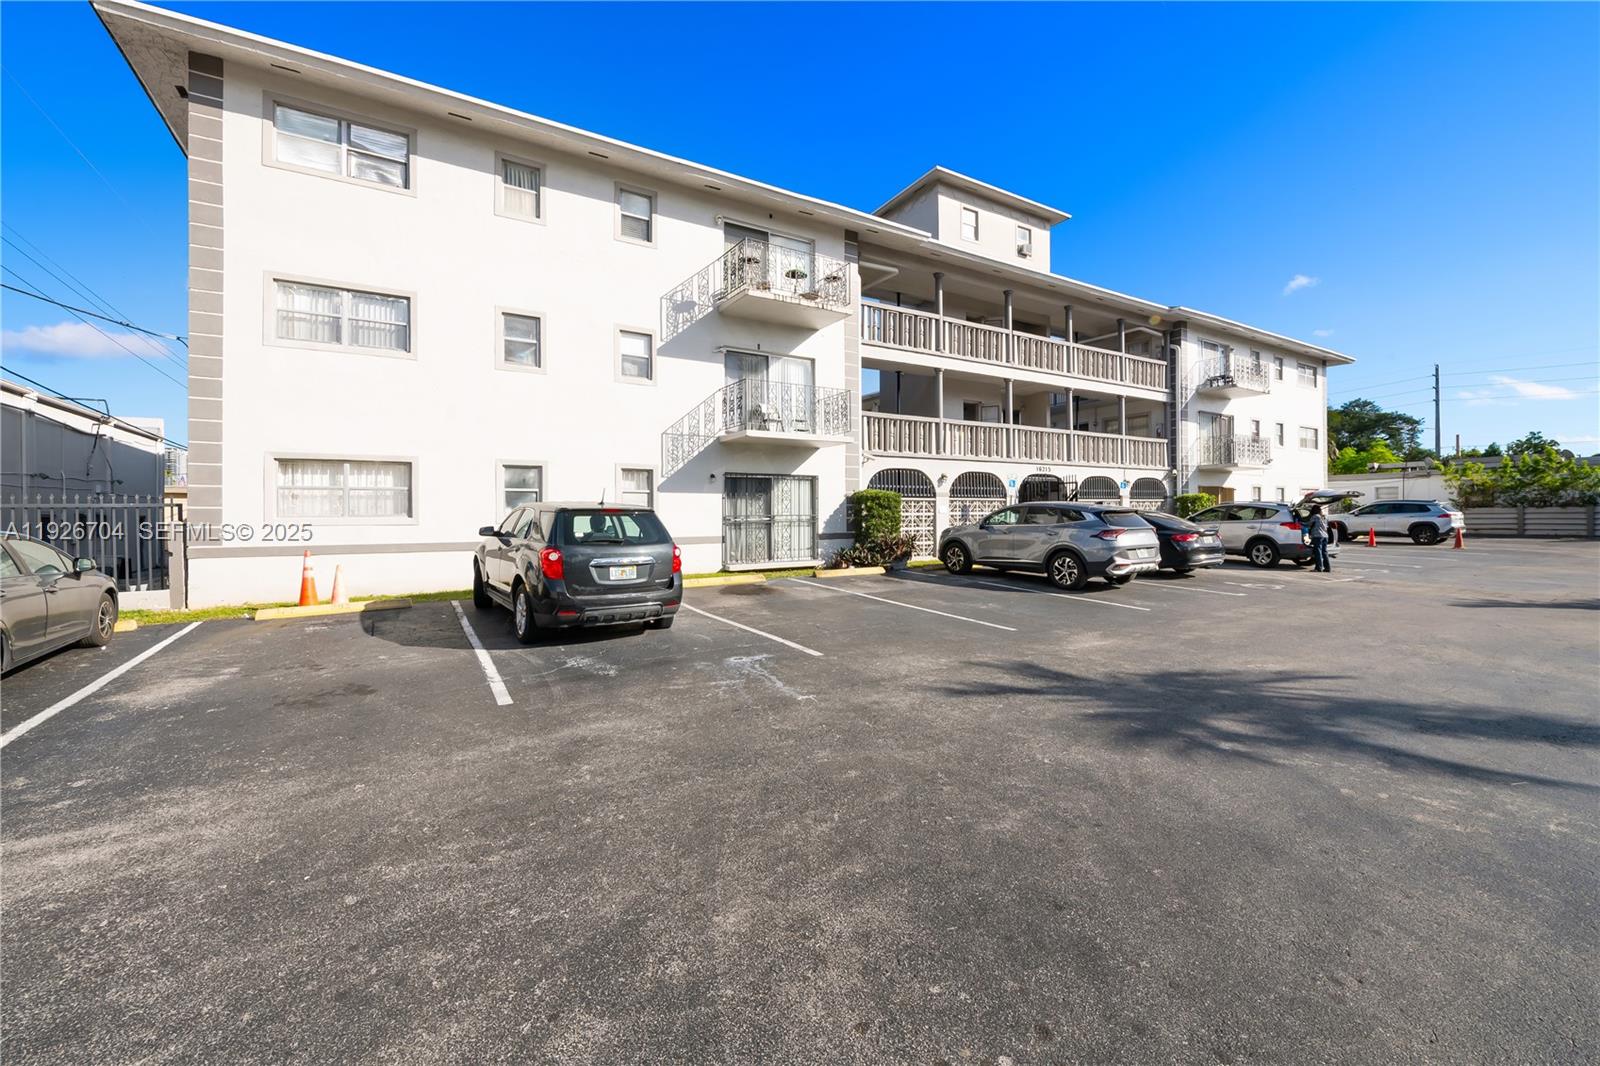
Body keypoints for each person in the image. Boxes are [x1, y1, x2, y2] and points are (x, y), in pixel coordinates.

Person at [1307, 503, 1332, 572]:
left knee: (1318, 552)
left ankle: (1319, 568)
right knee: (1324, 552)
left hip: (1317, 536)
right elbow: (1326, 526)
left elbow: (1309, 524)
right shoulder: (1324, 517)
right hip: (1325, 536)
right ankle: (1327, 568)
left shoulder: (1315, 516)